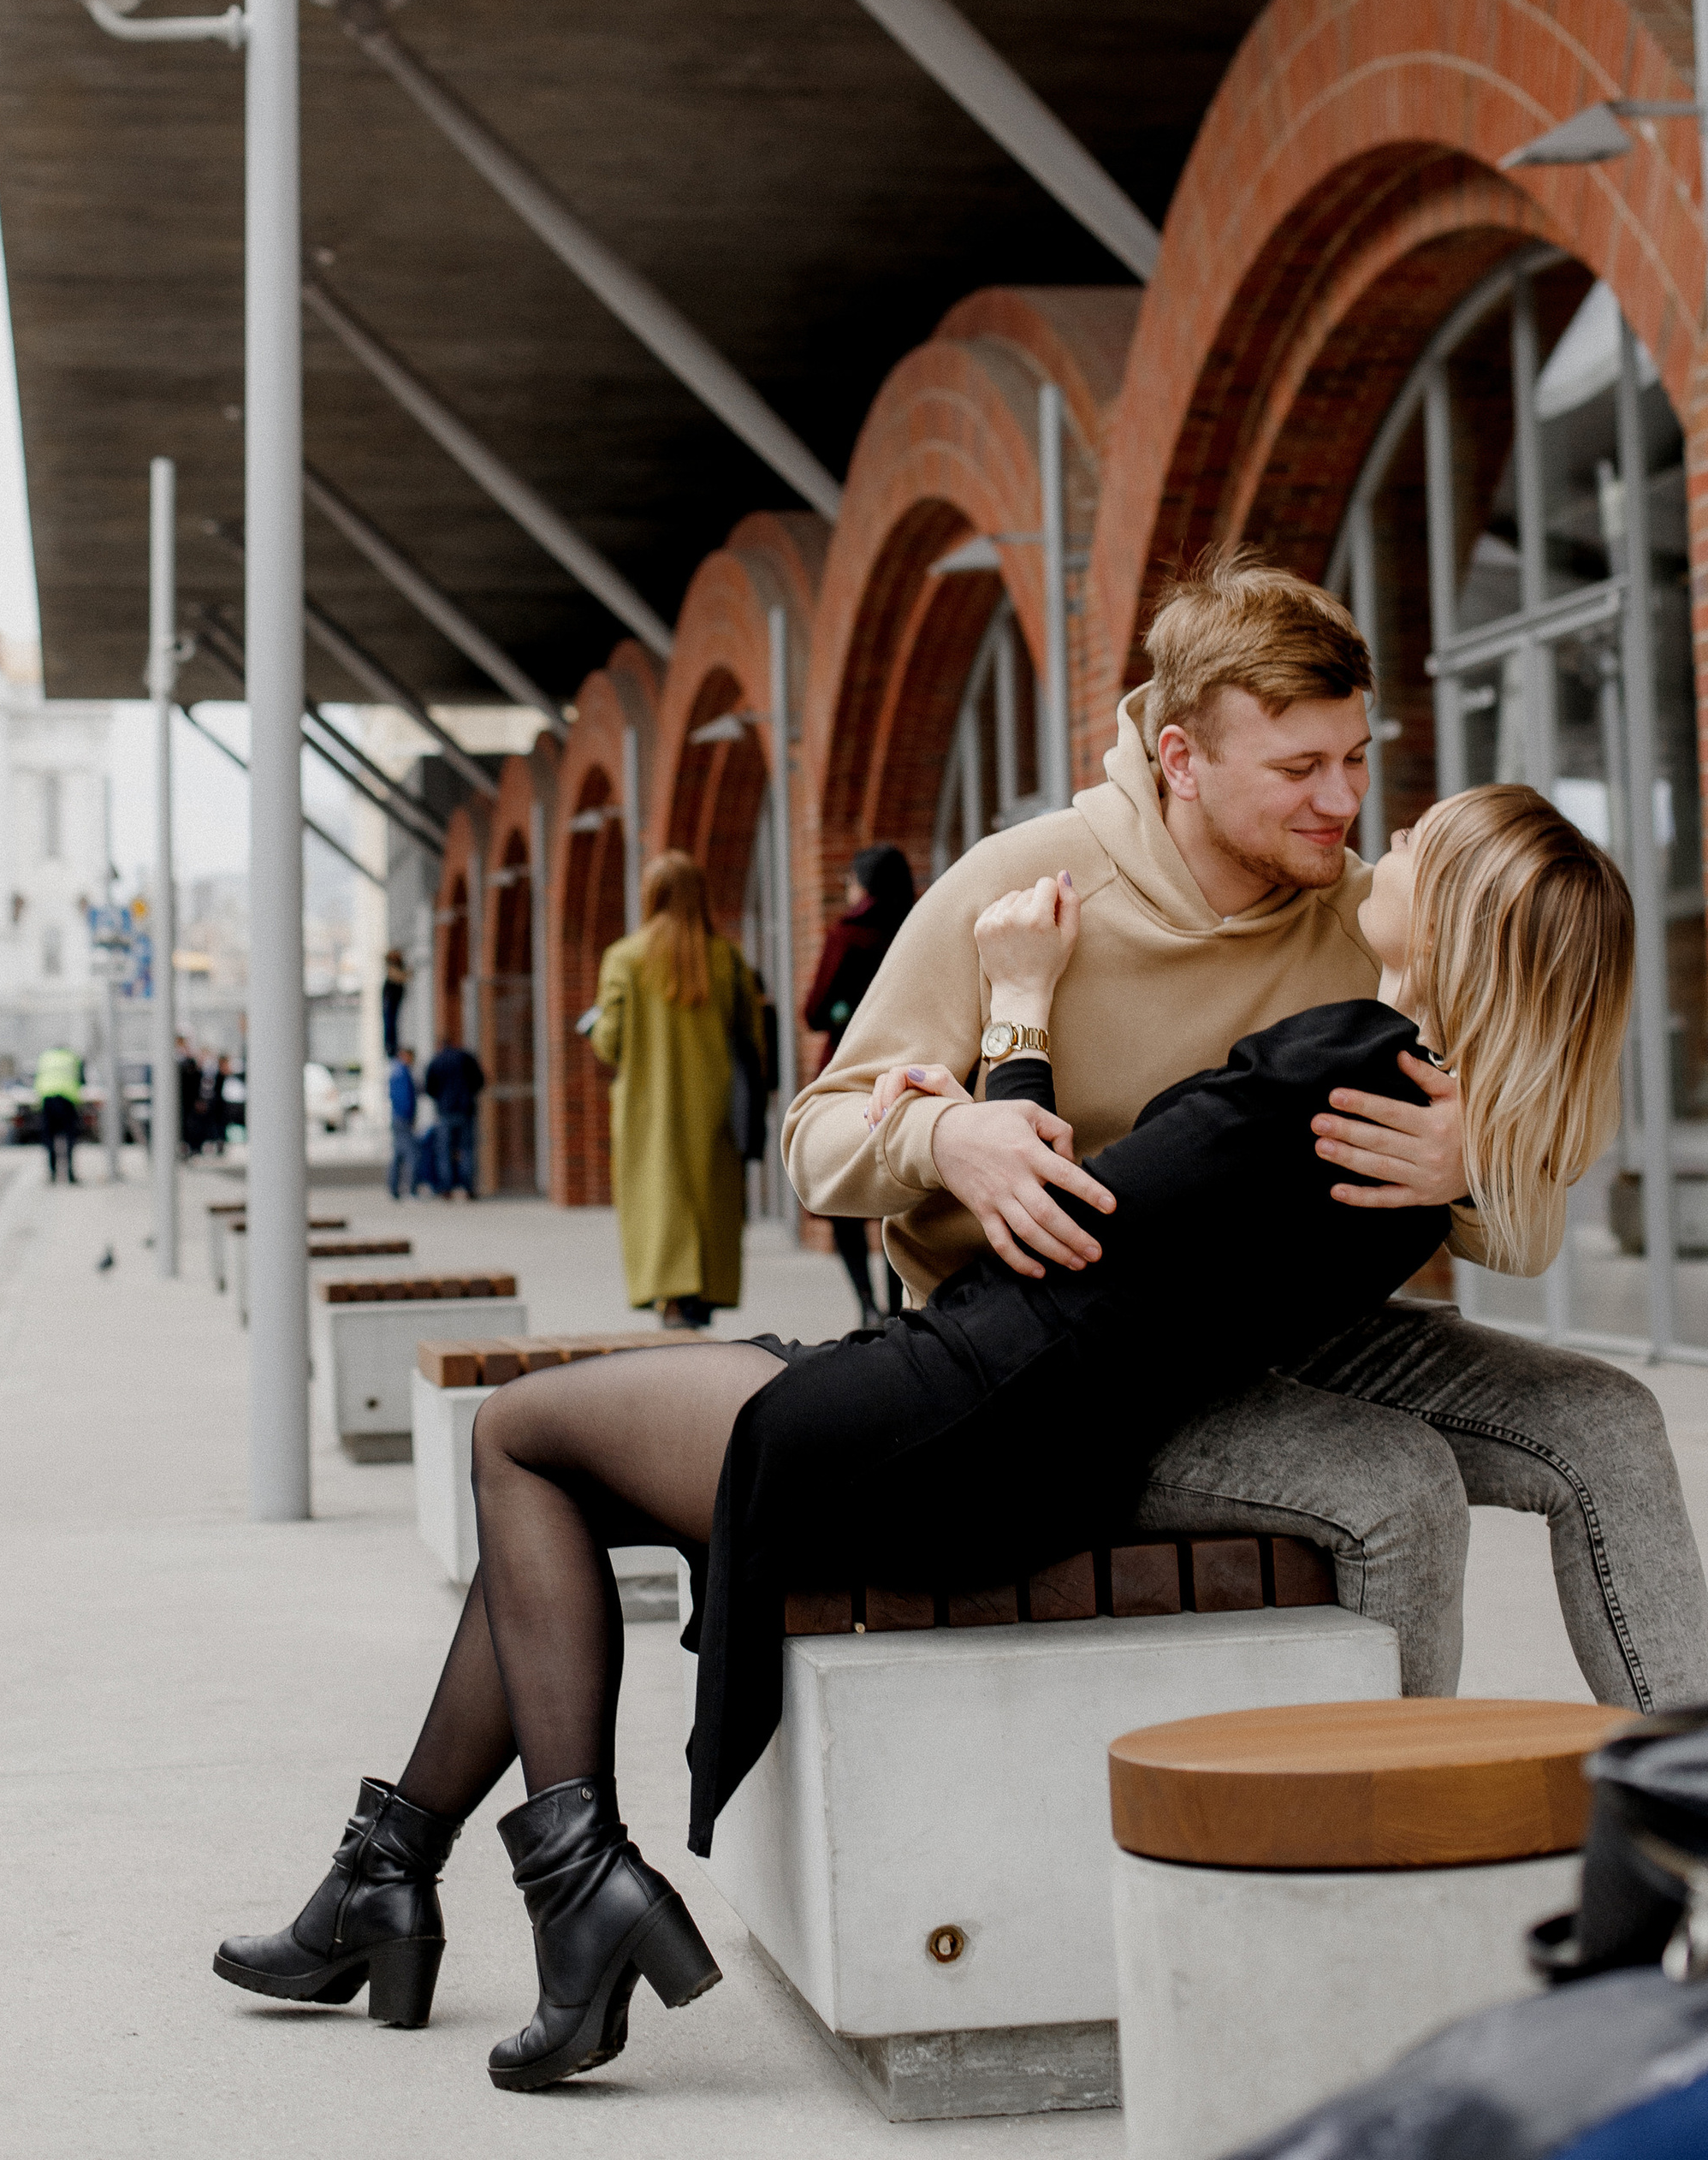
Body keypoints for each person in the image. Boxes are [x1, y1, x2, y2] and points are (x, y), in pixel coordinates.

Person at [214, 781, 1634, 2092]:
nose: (1381, 834)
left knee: (522, 1441)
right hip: (1007, 1434)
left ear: (1445, 917)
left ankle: (565, 1893)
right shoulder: (1425, 1135)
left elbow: (1060, 1232)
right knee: (562, 1478)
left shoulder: (1340, 1060)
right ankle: (392, 1878)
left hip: (956, 1419)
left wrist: (1012, 1027)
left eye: (1418, 843)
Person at [784, 549, 1708, 1711]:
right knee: (1395, 1482)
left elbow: (1524, 1226)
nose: (1344, 803)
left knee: (1609, 1422)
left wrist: (1471, 1165)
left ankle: (1685, 1805)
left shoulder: (1372, 909)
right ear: (1182, 758)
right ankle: (1380, 1844)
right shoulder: (1022, 885)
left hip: (1297, 1325)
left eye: (1358, 759)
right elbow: (817, 1141)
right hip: (1073, 1357)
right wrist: (947, 1140)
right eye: (1301, 767)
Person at [590, 851, 764, 1331]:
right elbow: (753, 1040)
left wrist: (597, 1027)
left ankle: (669, 1295)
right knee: (710, 1203)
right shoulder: (725, 958)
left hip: (649, 1112)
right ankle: (701, 1297)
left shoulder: (624, 957)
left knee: (658, 1201)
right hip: (716, 1110)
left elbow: (610, 1044)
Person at [802, 844, 916, 1326]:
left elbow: (813, 1011)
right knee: (900, 1191)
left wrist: (841, 1012)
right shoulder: (917, 927)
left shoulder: (848, 935)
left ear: (863, 884)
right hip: (910, 1071)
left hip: (851, 1074)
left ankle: (867, 1305)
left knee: (845, 1186)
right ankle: (894, 1307)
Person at [423, 1038, 485, 1199]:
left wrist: (441, 1099)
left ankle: (446, 1188)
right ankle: (468, 1187)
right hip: (465, 1111)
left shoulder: (437, 1061)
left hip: (445, 1112)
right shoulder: (466, 1058)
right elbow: (479, 1081)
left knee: (444, 1151)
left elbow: (429, 1087)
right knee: (467, 1150)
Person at [32, 1041, 84, 1185]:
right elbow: (81, 1080)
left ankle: (53, 1174)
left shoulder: (45, 1057)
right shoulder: (72, 1057)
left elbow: (38, 1079)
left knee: (49, 1138)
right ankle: (71, 1174)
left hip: (48, 1100)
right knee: (70, 1137)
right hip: (67, 1100)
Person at [388, 1043, 419, 1201]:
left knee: (398, 1153)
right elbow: (404, 1099)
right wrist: (409, 1116)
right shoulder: (402, 1072)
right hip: (403, 1118)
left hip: (397, 1118)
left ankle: (394, 1188)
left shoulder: (396, 1071)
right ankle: (411, 1189)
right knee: (411, 1155)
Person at [383, 948, 408, 1061]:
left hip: (393, 998)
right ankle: (391, 1049)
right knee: (390, 1024)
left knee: (392, 1024)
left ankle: (392, 1048)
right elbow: (400, 977)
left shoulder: (397, 967)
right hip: (391, 998)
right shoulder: (392, 969)